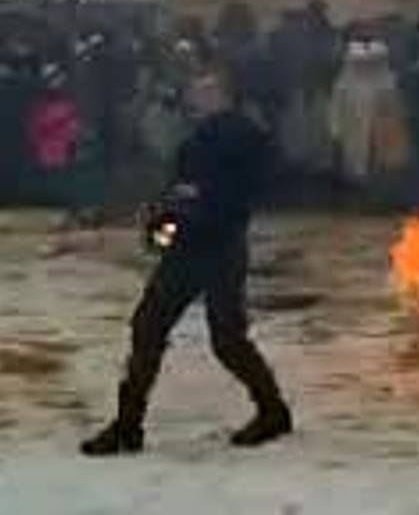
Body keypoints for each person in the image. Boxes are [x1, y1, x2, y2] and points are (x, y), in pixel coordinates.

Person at [81, 67, 291, 456]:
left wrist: (198, 208)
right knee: (149, 327)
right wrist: (164, 219)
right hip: (188, 245)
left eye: (209, 89)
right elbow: (178, 187)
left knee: (226, 339)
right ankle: (128, 425)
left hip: (219, 246)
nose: (199, 96)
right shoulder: (197, 137)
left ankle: (272, 411)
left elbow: (241, 192)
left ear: (226, 94)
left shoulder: (244, 136)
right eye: (198, 89)